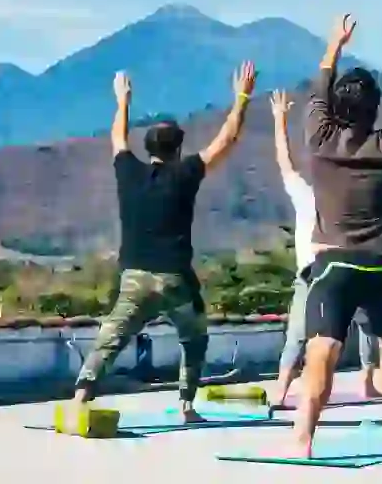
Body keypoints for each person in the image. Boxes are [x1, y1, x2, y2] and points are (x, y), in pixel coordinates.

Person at [71, 64, 256, 423]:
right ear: (177, 150)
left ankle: (81, 395)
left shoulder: (128, 171)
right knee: (194, 337)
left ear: (149, 148)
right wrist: (242, 98)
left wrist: (122, 101)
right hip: (175, 279)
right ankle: (187, 405)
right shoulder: (185, 173)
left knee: (111, 336)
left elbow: (117, 138)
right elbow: (226, 140)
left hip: (134, 278)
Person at [291, 11, 382, 457]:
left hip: (335, 263)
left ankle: (304, 439)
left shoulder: (319, 139)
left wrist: (334, 43)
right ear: (375, 109)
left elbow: (318, 90)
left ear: (336, 108)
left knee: (323, 350)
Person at [269, 89, 382, 406]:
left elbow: (285, 162)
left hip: (326, 268)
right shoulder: (340, 193)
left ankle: (283, 388)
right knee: (364, 325)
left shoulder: (309, 194)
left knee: (302, 332)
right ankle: (366, 380)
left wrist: (280, 120)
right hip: (341, 267)